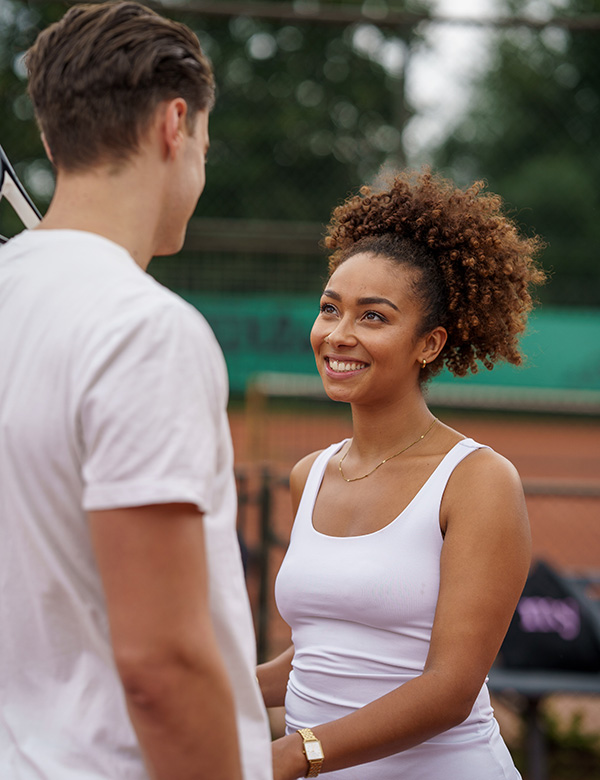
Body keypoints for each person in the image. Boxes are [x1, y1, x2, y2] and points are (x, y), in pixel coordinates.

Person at [0, 3, 272, 780]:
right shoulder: (146, 330)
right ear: (174, 125)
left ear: (55, 138)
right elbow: (162, 666)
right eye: (207, 145)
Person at [257, 169, 545, 780]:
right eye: (329, 309)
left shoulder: (478, 480)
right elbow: (324, 657)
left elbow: (449, 689)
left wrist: (297, 752)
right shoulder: (308, 475)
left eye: (373, 317)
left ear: (430, 343)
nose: (338, 334)